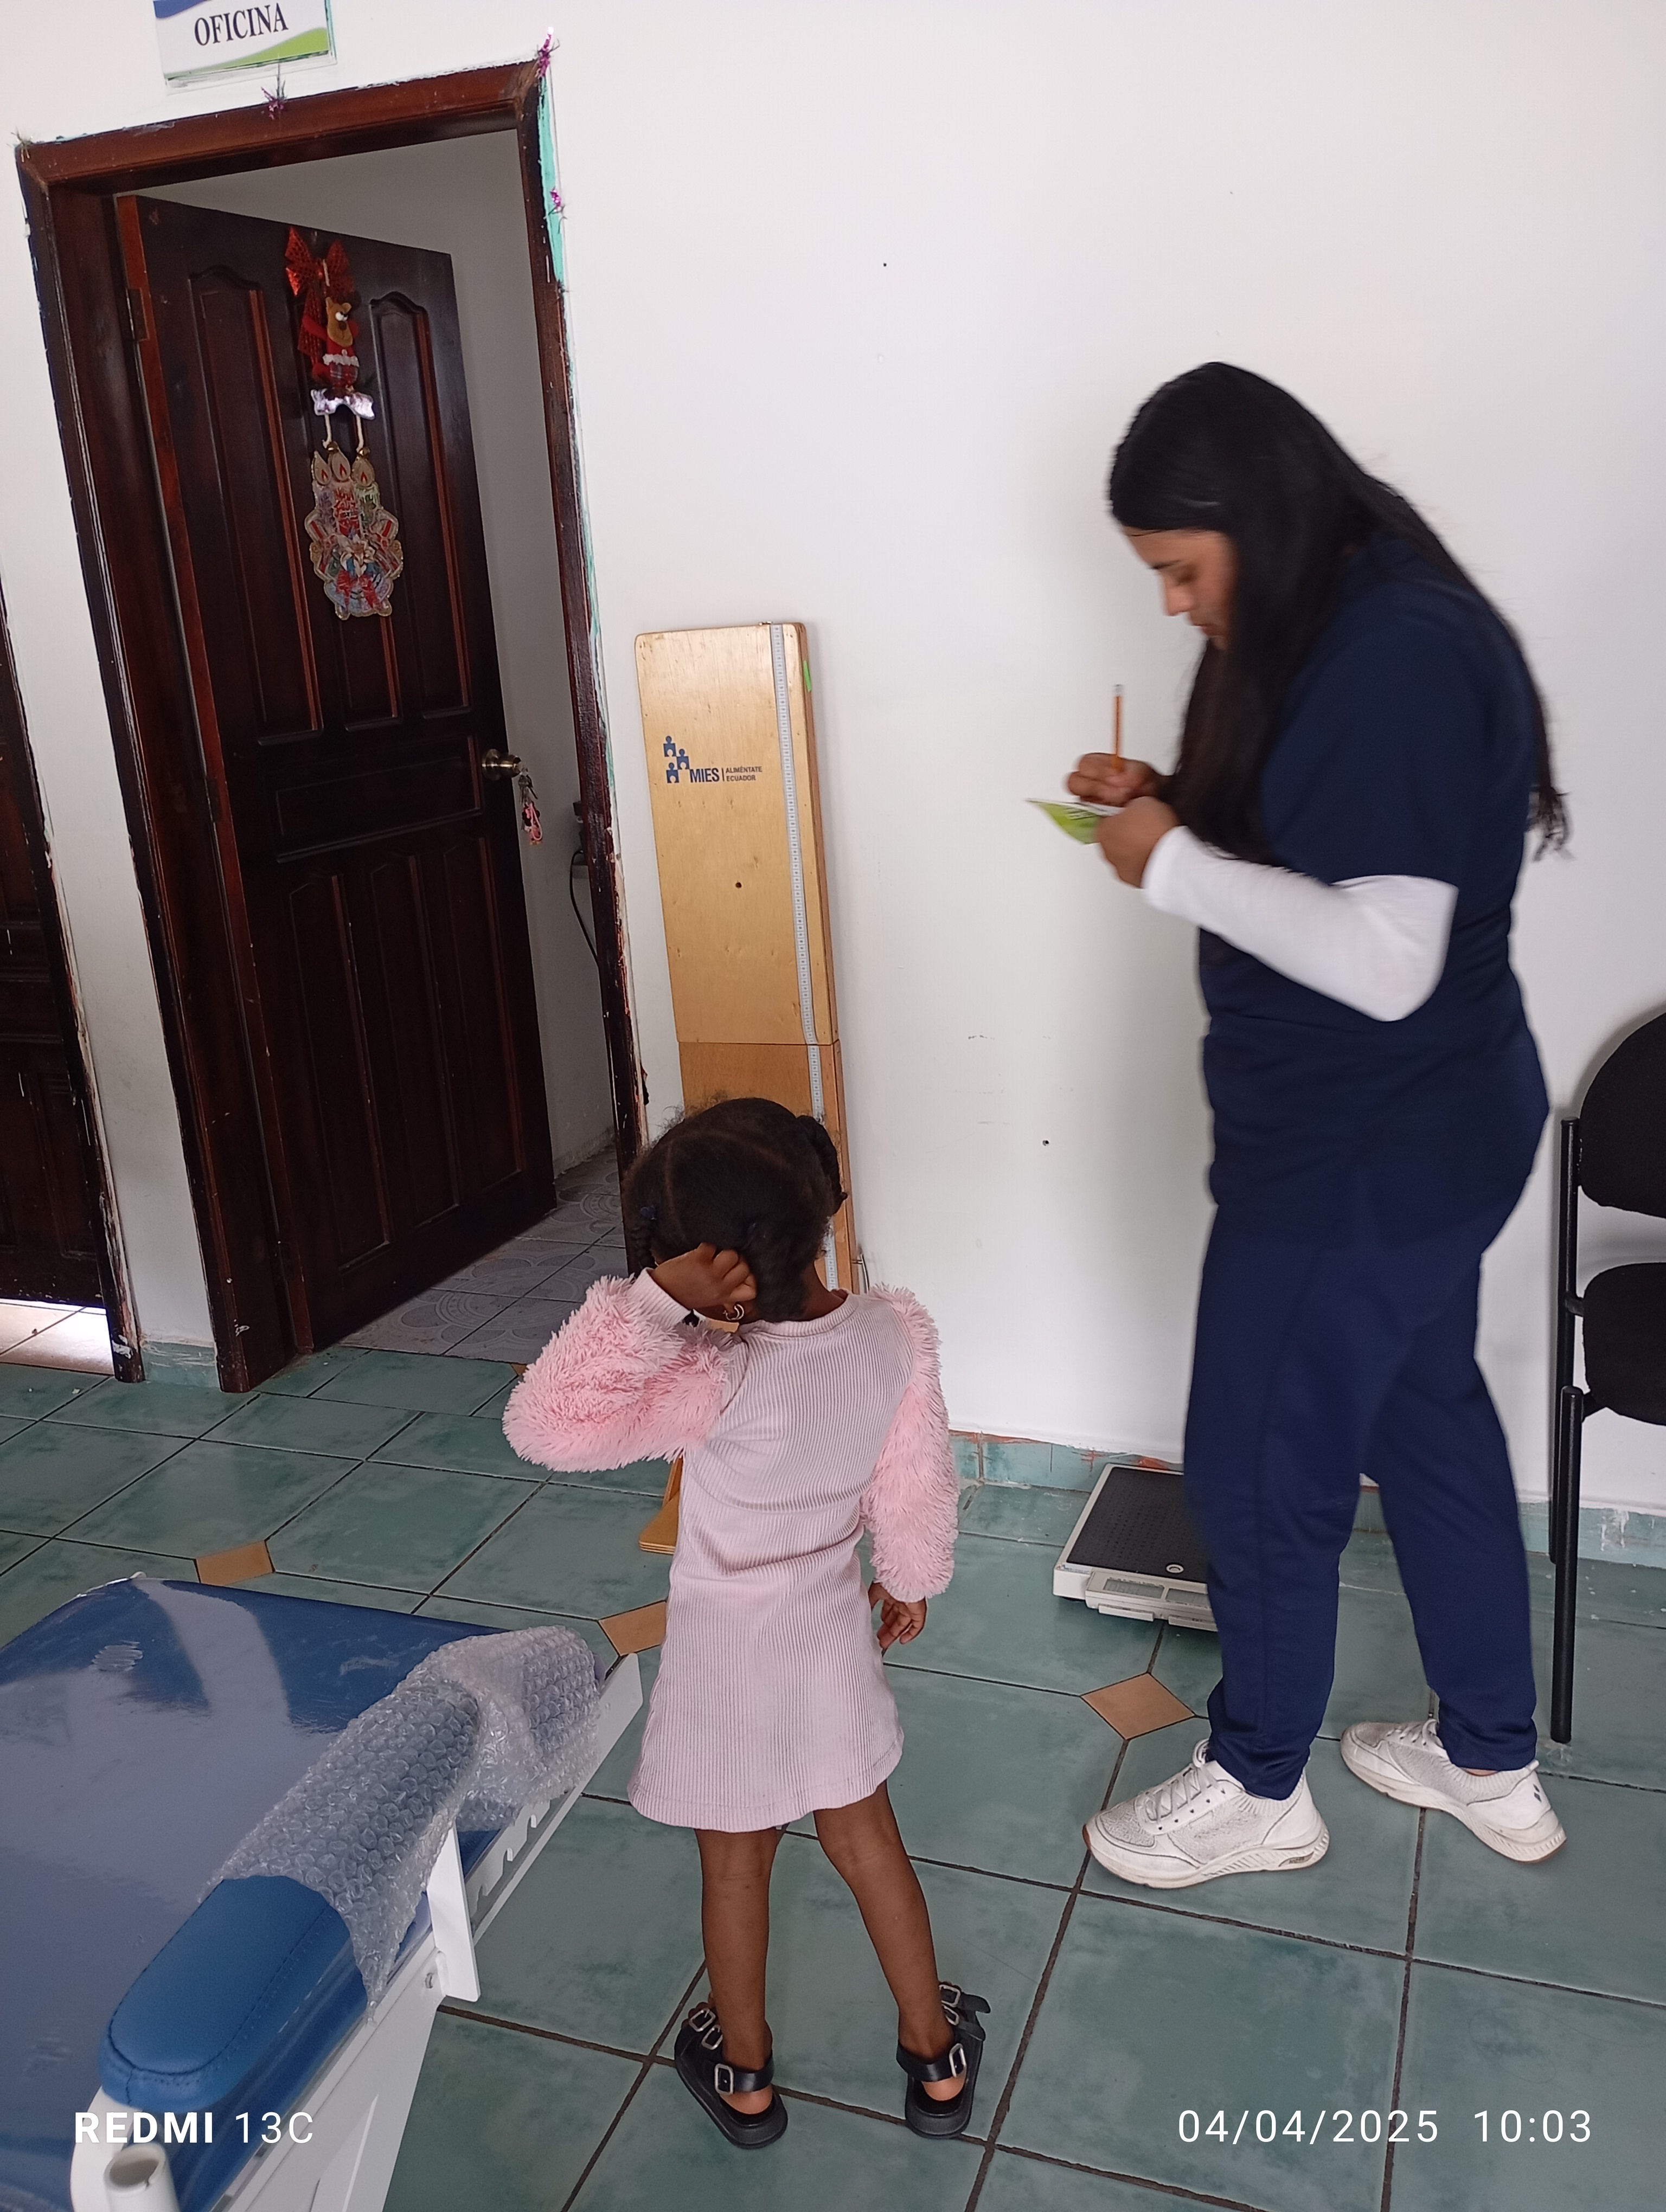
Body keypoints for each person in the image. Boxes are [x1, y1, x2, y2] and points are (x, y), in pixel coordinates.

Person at [1069, 363, 1567, 1889]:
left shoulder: (1392, 649)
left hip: (1357, 1162)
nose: (1171, 606)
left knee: (1257, 1466)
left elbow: (1386, 956)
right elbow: (1338, 835)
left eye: (1180, 570)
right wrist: (1168, 802)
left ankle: (1257, 1784)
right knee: (1428, 1422)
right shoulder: (1352, 608)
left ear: (1257, 520)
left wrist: (1168, 864)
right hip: (1432, 1135)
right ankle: (1491, 1758)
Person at [503, 1097, 988, 2146]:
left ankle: (747, 2077)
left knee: (735, 1866)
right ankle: (936, 2061)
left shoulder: (707, 1373)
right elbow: (915, 1480)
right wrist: (910, 1579)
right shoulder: (891, 1334)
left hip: (724, 1654)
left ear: (709, 1265)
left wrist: (650, 1307)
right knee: (869, 1843)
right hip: (829, 1640)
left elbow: (543, 1424)